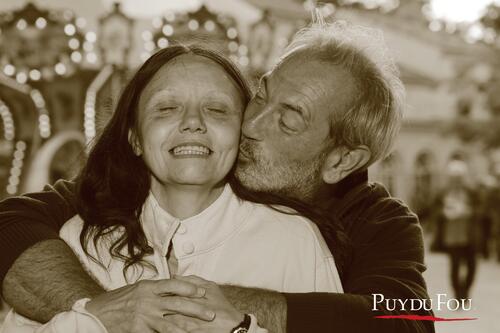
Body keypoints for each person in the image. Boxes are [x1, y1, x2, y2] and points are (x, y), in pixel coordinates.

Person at [0, 18, 434, 333]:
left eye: (288, 119)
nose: (252, 123)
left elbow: (403, 322)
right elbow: (12, 222)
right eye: (260, 96)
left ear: (340, 161)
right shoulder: (121, 200)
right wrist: (101, 309)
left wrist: (194, 307)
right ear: (134, 135)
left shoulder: (366, 225)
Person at [432, 157, 479, 300]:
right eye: (454, 177)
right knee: (455, 266)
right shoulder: (443, 192)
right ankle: (458, 295)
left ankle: (465, 291)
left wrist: (468, 211)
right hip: (451, 236)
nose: (457, 180)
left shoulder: (471, 192)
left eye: (459, 177)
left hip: (469, 235)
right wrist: (444, 213)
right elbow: (434, 210)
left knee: (472, 266)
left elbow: (481, 209)